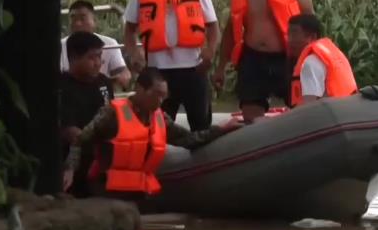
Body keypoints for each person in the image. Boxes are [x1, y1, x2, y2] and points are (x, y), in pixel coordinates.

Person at [62, 67, 243, 200]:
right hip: (106, 190)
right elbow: (80, 139)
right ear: (140, 89)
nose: (160, 101)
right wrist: (70, 169)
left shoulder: (160, 118)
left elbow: (188, 139)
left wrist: (222, 129)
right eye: (156, 94)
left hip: (140, 192)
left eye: (164, 96)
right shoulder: (112, 114)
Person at [212, 0, 315, 123]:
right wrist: (220, 67)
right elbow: (230, 30)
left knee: (302, 110)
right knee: (251, 114)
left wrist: (313, 57)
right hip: (253, 58)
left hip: (286, 57)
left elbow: (310, 20)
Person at [123, 0, 220, 131]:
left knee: (201, 123)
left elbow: (213, 27)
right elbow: (129, 29)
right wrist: (134, 53)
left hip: (194, 68)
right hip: (158, 71)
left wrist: (210, 51)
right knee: (157, 125)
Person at [58, 31, 114, 198]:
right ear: (74, 57)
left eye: (100, 56)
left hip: (101, 158)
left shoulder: (104, 82)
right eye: (92, 57)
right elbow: (69, 131)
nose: (98, 63)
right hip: (71, 160)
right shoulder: (61, 87)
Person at [287, 14, 358, 107]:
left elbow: (309, 108)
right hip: (348, 112)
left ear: (312, 37)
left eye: (295, 34)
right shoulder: (335, 55)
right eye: (289, 34)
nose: (289, 40)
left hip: (330, 117)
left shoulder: (310, 63)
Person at [60, 0, 131, 90]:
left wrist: (122, 77)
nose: (77, 23)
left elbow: (123, 73)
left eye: (83, 19)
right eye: (73, 19)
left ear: (94, 21)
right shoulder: (59, 46)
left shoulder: (109, 43)